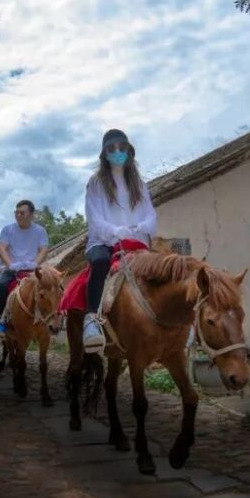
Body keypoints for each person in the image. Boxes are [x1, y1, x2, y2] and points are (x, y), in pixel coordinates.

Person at [82, 128, 156, 353]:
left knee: (163, 266)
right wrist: (117, 232)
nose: (117, 152)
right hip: (103, 241)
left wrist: (137, 229)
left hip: (134, 240)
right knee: (101, 262)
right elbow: (94, 218)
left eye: (121, 148)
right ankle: (91, 320)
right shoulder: (95, 183)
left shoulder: (139, 184)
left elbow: (150, 214)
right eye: (111, 149)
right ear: (104, 154)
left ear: (128, 151)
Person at [0, 200, 49, 336]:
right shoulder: (8, 229)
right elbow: (2, 248)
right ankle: (0, 322)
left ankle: (54, 318)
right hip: (12, 269)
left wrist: (35, 263)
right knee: (0, 287)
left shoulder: (40, 231)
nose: (18, 215)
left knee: (52, 286)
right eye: (16, 212)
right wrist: (10, 264)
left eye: (22, 212)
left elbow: (44, 250)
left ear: (31, 214)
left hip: (33, 270)